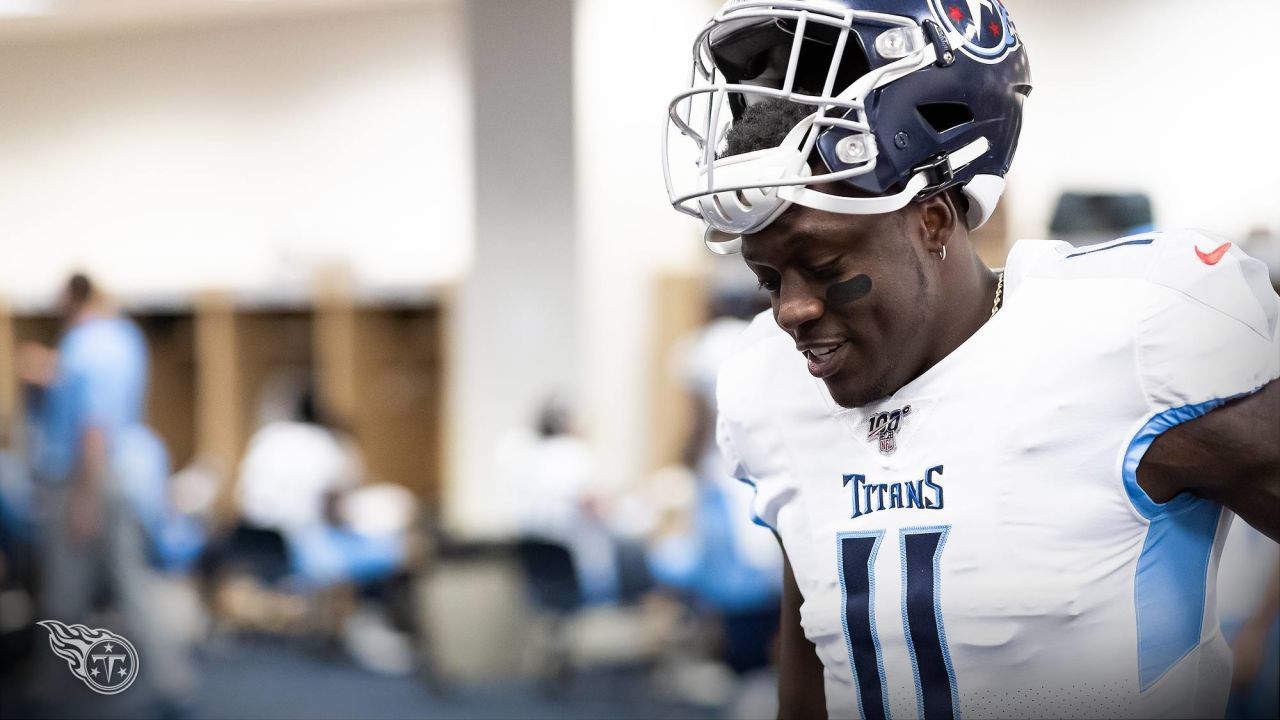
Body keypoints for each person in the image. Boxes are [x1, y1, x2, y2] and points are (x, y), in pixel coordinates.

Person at [660, 2, 1279, 718]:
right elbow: (816, 656)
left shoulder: (1131, 339)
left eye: (823, 264)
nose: (791, 310)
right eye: (768, 279)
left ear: (932, 222)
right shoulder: (766, 391)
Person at [20, 273, 194, 713]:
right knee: (133, 586)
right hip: (124, 474)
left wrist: (83, 501)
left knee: (62, 592)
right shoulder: (124, 338)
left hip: (85, 478)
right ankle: (173, 686)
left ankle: (45, 694)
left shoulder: (82, 344)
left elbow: (92, 428)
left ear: (72, 298)